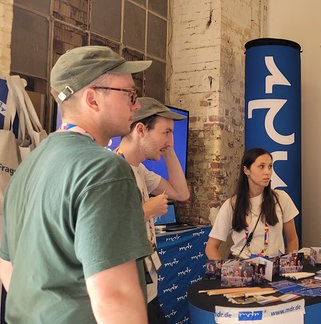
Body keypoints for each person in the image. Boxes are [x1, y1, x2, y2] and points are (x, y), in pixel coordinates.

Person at [0, 46, 152, 323]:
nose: (137, 105)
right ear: (92, 99)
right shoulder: (103, 169)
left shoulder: (24, 171)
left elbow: (9, 270)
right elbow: (115, 299)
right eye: (130, 94)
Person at [116, 97, 191, 323]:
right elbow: (104, 230)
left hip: (147, 290)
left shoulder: (140, 171)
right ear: (141, 130)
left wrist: (166, 149)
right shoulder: (112, 170)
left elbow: (181, 193)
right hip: (125, 296)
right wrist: (145, 211)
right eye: (165, 132)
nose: (170, 140)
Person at [205, 147, 299, 260]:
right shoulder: (232, 205)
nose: (267, 172)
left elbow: (292, 239)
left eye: (270, 166)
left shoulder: (281, 198)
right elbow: (211, 247)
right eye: (261, 166)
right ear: (246, 170)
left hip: (275, 268)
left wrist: (289, 266)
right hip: (243, 269)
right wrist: (224, 272)